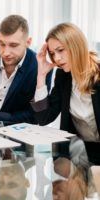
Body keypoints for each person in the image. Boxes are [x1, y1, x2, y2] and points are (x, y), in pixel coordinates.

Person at [31, 22, 100, 164]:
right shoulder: (63, 76)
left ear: (76, 45)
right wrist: (41, 77)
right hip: (81, 155)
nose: (56, 58)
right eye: (52, 53)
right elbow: (44, 118)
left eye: (60, 50)